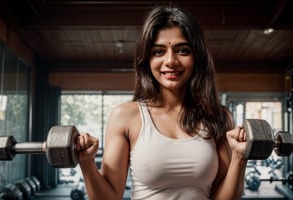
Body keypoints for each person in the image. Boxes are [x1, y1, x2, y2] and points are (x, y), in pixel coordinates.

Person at [76, 5, 248, 200]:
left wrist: (239, 158)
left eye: (182, 50)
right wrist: (87, 164)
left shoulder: (219, 117)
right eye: (158, 52)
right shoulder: (125, 116)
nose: (170, 61)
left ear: (197, 57)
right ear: (147, 59)